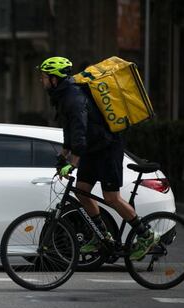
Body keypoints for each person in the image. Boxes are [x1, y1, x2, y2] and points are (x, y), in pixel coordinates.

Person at [38, 56, 159, 261]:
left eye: (43, 77)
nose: (41, 81)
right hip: (93, 150)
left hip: (107, 148)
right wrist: (63, 157)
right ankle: (103, 236)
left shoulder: (74, 97)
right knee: (83, 192)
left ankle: (146, 235)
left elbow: (80, 132)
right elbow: (69, 131)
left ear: (54, 79)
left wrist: (73, 162)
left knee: (112, 197)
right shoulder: (62, 96)